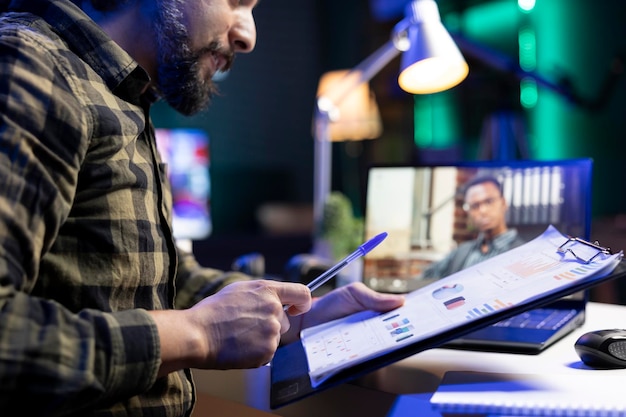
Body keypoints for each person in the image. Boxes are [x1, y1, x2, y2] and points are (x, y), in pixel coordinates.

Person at [0, 0, 406, 415]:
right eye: (236, 2)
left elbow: (149, 282)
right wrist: (198, 333)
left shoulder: (118, 94)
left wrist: (291, 316)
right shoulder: (31, 69)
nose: (248, 36)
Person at [420, 175, 526, 280]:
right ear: (469, 212)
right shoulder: (461, 252)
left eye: (489, 201)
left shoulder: (523, 253)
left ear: (503, 203)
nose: (482, 211)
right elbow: (423, 278)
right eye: (475, 206)